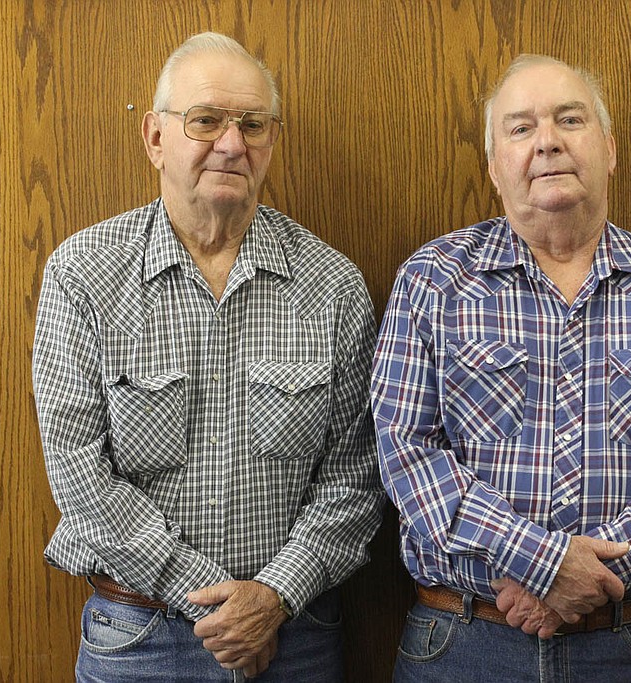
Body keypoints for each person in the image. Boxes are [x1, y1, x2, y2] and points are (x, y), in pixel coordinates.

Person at [370, 54, 631, 682]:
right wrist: (545, 563)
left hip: (624, 647)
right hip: (461, 642)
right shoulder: (433, 281)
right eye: (520, 128)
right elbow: (405, 450)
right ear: (494, 166)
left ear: (610, 148)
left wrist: (587, 580)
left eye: (570, 119)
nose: (547, 141)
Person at [33, 32, 383, 682]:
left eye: (253, 124)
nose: (232, 142)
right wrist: (212, 597)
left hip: (294, 638)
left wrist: (273, 596)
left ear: (271, 141)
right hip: (138, 639)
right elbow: (77, 468)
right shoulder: (83, 275)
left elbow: (355, 477)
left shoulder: (332, 285)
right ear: (155, 138)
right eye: (206, 120)